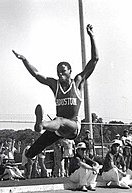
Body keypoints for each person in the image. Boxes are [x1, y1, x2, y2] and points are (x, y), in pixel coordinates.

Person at [12, 24, 99, 159]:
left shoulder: (78, 82)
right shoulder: (55, 84)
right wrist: (25, 60)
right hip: (59, 127)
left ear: (70, 71)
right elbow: (37, 74)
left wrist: (92, 36)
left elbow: (95, 60)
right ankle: (30, 152)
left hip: (73, 126)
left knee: (59, 120)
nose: (60, 74)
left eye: (63, 71)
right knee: (36, 147)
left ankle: (42, 124)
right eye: (58, 72)